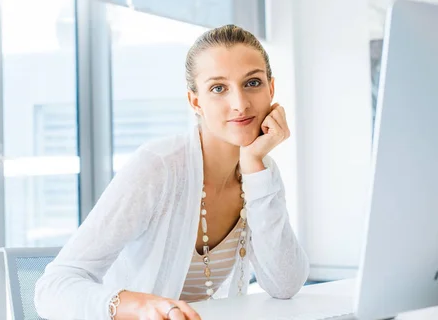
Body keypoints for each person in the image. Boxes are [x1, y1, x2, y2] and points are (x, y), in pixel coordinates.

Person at [34, 25, 309, 320]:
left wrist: (255, 164)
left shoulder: (260, 173)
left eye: (252, 83)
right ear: (195, 101)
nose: (239, 104)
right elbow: (52, 288)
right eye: (218, 88)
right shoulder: (158, 167)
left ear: (271, 89)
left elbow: (285, 283)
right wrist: (139, 306)